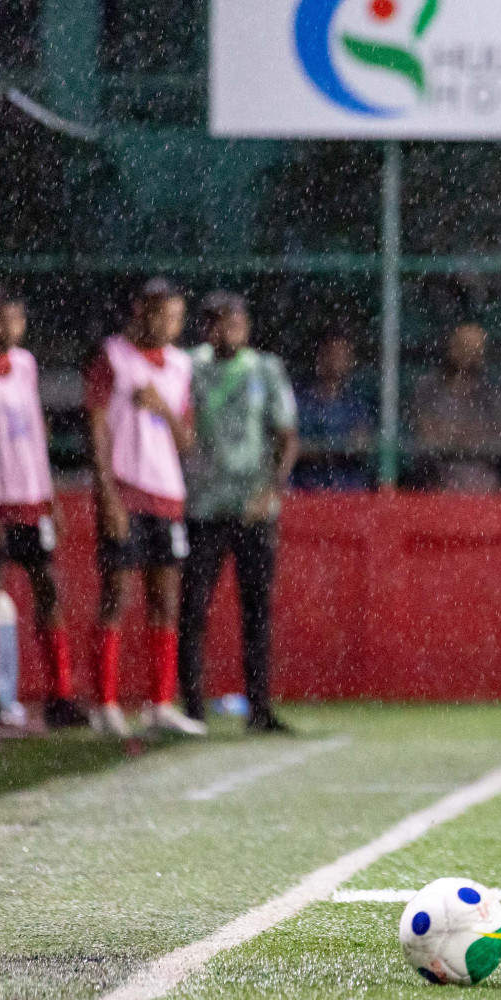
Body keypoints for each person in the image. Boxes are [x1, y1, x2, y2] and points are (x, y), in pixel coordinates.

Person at [83, 278, 205, 738]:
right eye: (164, 315)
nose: (172, 325)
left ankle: (159, 704)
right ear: (141, 312)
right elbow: (96, 427)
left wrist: (162, 409)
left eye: (177, 317)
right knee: (116, 595)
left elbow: (187, 440)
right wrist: (108, 494)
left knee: (165, 599)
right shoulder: (112, 356)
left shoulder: (179, 365)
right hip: (126, 489)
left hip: (166, 493)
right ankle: (105, 704)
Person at [178, 292, 299, 734]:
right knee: (192, 607)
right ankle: (192, 708)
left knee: (257, 610)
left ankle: (260, 708)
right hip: (204, 504)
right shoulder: (189, 367)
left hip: (252, 506)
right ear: (206, 327)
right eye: (222, 323)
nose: (231, 330)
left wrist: (272, 492)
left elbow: (287, 436)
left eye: (237, 322)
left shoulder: (265, 370)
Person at [0, 284, 86, 729]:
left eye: (18, 318)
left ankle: (60, 694)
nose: (12, 327)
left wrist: (50, 495)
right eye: (3, 318)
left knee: (49, 589)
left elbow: (35, 429)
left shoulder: (25, 364)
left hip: (31, 496)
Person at [408, 322, 501, 492]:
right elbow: (426, 433)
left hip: (484, 490)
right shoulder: (427, 387)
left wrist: (451, 434)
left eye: (476, 349)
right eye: (465, 347)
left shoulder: (494, 393)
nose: (470, 354)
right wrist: (469, 436)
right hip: (437, 488)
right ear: (452, 348)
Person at [293, 329, 374, 490]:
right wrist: (331, 450)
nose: (336, 360)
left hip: (348, 488)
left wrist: (322, 450)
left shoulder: (356, 404)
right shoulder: (299, 401)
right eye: (332, 353)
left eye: (343, 355)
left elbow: (361, 443)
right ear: (319, 357)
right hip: (306, 486)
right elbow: (292, 443)